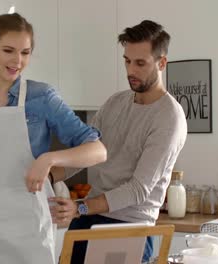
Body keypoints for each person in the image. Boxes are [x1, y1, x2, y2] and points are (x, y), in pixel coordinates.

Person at [0, 13, 107, 264]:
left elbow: (98, 150)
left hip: (29, 235)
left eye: (25, 53)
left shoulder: (41, 97)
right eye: (9, 50)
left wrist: (49, 158)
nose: (17, 61)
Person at [49, 20, 187, 263]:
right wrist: (47, 177)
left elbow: (138, 189)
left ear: (161, 63)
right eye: (127, 60)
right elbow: (85, 154)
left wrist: (80, 207)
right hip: (88, 220)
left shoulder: (169, 117)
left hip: (128, 228)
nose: (130, 70)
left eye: (140, 63)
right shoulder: (116, 103)